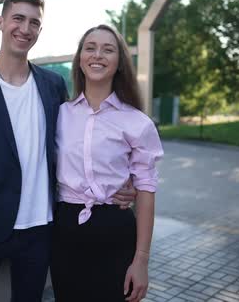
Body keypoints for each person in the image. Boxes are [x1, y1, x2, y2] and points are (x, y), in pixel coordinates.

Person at [0, 0, 135, 302]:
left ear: (40, 30)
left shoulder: (52, 85)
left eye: (34, 23)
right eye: (18, 19)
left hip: (41, 231)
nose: (25, 29)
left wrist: (126, 182)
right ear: (1, 21)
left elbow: (79, 145)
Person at [50, 24, 163, 302]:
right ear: (79, 59)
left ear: (119, 62)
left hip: (115, 231)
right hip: (65, 230)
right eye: (90, 48)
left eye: (108, 49)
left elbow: (146, 191)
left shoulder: (138, 123)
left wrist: (141, 261)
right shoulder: (59, 115)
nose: (97, 55)